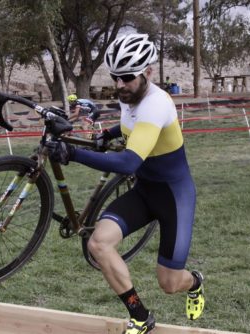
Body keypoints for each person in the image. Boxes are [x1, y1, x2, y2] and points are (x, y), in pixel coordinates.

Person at [47, 33, 204, 334]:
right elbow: (130, 122)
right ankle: (140, 316)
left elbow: (128, 162)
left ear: (148, 72)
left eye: (127, 78)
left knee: (169, 283)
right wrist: (109, 133)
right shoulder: (130, 97)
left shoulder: (157, 103)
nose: (119, 85)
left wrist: (73, 153)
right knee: (98, 243)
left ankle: (195, 281)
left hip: (174, 197)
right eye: (116, 77)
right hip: (145, 191)